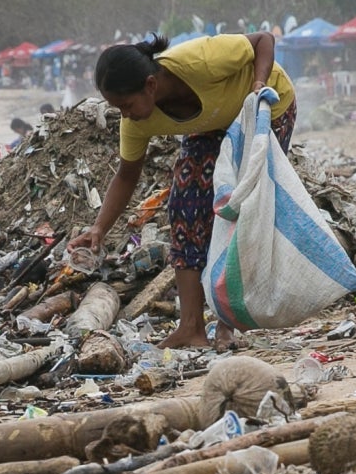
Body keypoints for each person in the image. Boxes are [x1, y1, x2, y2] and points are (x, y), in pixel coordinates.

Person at [68, 32, 297, 348]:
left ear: (150, 85)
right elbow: (126, 175)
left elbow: (263, 41)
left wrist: (258, 85)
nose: (126, 115)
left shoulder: (200, 59)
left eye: (126, 105)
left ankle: (226, 325)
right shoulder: (136, 123)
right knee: (185, 207)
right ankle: (191, 327)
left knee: (239, 210)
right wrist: (99, 228)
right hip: (211, 125)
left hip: (263, 110)